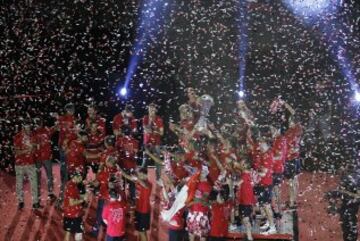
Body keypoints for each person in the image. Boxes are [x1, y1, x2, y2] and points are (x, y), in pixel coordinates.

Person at [325, 164, 360, 241]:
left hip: (349, 208)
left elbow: (355, 196)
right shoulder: (352, 177)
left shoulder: (348, 179)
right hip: (349, 208)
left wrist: (335, 194)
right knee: (348, 226)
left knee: (348, 227)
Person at [13, 121, 41, 209]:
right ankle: (21, 201)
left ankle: (35, 202)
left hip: (31, 163)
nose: (29, 130)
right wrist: (27, 150)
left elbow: (36, 148)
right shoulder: (17, 137)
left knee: (34, 183)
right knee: (19, 183)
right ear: (23, 128)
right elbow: (17, 152)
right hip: (19, 165)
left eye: (29, 128)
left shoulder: (33, 136)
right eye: (26, 128)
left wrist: (34, 148)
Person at [120, 167, 152, 241]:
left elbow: (145, 185)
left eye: (140, 175)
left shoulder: (148, 184)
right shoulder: (138, 181)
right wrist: (121, 170)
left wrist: (137, 178)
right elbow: (128, 177)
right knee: (139, 230)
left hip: (144, 211)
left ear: (145, 175)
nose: (138, 176)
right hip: (138, 209)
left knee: (142, 232)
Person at [90, 155, 119, 237]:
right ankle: (111, 229)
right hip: (113, 199)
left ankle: (95, 230)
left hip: (103, 198)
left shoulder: (103, 173)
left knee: (100, 214)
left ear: (108, 163)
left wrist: (90, 183)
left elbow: (96, 183)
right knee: (110, 215)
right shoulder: (117, 172)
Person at [55, 103, 77, 205]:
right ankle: (63, 197)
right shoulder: (65, 119)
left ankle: (69, 195)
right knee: (66, 171)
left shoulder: (73, 119)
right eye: (70, 109)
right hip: (65, 148)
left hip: (70, 148)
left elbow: (73, 133)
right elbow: (61, 130)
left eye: (72, 109)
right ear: (67, 110)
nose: (72, 111)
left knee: (68, 170)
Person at [186, 166, 212, 241]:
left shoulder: (207, 185)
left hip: (201, 213)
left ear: (205, 174)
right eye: (200, 172)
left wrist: (194, 200)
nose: (200, 174)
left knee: (202, 235)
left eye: (202, 172)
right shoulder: (194, 182)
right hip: (192, 212)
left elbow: (203, 200)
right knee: (191, 234)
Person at [33, 117, 56, 201]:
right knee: (37, 177)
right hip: (37, 158)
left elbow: (55, 127)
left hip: (46, 157)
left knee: (49, 175)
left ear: (42, 122)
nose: (39, 124)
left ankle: (50, 193)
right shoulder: (32, 133)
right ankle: (37, 195)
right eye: (37, 122)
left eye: (40, 122)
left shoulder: (47, 130)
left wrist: (58, 119)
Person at [284, 117, 303, 209]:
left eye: (290, 121)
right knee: (295, 180)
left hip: (290, 159)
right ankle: (294, 200)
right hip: (296, 158)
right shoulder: (298, 130)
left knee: (291, 182)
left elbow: (287, 148)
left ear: (294, 123)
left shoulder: (290, 133)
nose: (288, 122)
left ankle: (291, 203)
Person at [63, 171, 88, 241]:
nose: (81, 179)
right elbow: (72, 202)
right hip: (75, 214)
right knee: (79, 232)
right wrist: (83, 200)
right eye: (80, 178)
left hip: (68, 213)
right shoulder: (72, 187)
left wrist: (81, 196)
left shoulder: (69, 183)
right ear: (75, 177)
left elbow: (72, 197)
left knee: (68, 232)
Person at [235, 158, 255, 241]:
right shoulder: (248, 174)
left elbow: (237, 183)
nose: (240, 164)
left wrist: (229, 182)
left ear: (245, 165)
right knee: (245, 218)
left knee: (245, 219)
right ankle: (248, 235)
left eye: (241, 163)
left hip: (245, 201)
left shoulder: (244, 175)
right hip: (247, 200)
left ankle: (249, 237)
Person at [142, 103, 164, 180]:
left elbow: (162, 132)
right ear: (148, 109)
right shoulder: (145, 118)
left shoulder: (159, 119)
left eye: (153, 109)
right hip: (147, 142)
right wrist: (150, 122)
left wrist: (154, 131)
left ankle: (158, 178)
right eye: (150, 109)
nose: (151, 111)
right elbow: (146, 129)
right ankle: (143, 177)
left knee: (157, 160)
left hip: (156, 143)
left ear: (155, 110)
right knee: (145, 159)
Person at [270, 126, 287, 219]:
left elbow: (279, 156)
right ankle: (278, 211)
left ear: (278, 130)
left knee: (274, 191)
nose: (271, 131)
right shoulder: (279, 139)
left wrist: (269, 158)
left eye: (273, 129)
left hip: (276, 169)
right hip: (278, 168)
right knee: (276, 191)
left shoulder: (279, 140)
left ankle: (277, 212)